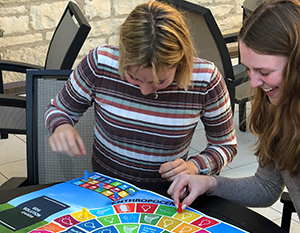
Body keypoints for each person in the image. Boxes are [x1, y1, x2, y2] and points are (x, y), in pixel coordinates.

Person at [45, 1, 236, 191]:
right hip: (105, 187)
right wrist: (61, 126)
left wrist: (195, 166)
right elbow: (58, 110)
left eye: (160, 82)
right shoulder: (100, 63)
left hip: (167, 192)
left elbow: (226, 146)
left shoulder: (205, 78)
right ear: (122, 57)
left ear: (181, 63)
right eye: (134, 78)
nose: (145, 91)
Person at [168, 0, 300, 220]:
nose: (255, 82)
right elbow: (266, 187)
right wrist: (209, 182)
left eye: (264, 72)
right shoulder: (276, 106)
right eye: (249, 69)